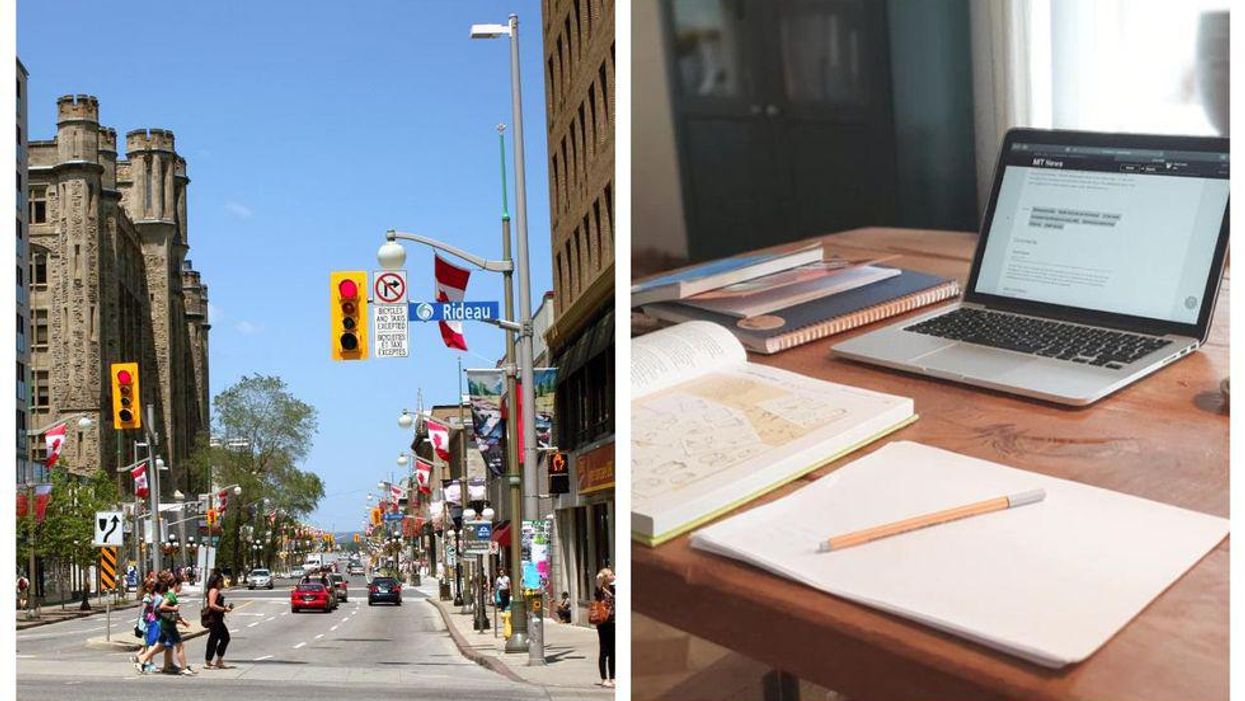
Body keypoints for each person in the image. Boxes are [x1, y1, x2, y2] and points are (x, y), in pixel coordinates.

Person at [135, 575, 194, 675]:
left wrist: (181, 620)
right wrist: (174, 608)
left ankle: (142, 659)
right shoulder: (170, 595)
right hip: (168, 625)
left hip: (166, 624)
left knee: (160, 645)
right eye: (180, 585)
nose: (181, 588)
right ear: (176, 585)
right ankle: (184, 668)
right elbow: (162, 607)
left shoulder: (169, 595)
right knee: (180, 645)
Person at [202, 573, 234, 669]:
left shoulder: (213, 591)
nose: (221, 583)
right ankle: (210, 661)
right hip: (214, 619)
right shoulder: (214, 591)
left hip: (217, 619)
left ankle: (217, 660)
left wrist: (224, 608)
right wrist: (224, 609)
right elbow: (212, 605)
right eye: (220, 581)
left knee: (221, 638)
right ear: (215, 582)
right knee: (218, 639)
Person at [594, 568, 616, 689]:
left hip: (614, 622)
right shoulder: (600, 590)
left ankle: (613, 677)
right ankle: (604, 679)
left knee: (613, 651)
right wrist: (602, 574)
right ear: (605, 577)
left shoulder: (613, 588)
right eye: (611, 575)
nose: (614, 576)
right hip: (603, 623)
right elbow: (598, 579)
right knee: (604, 650)